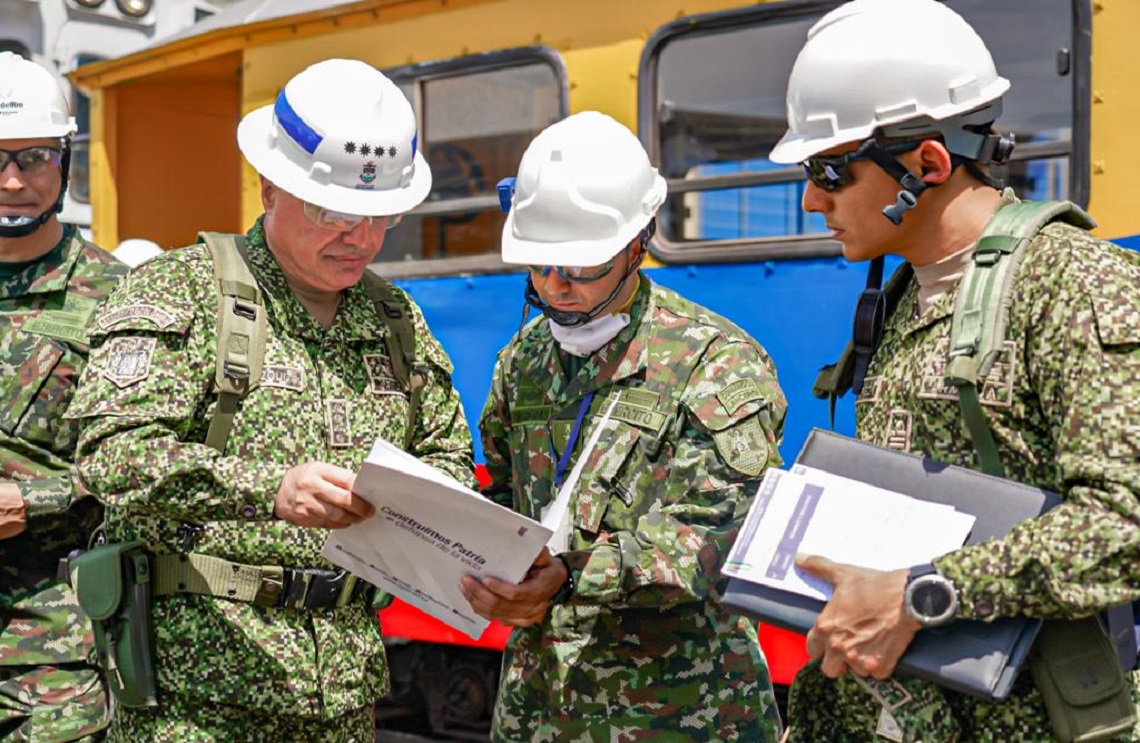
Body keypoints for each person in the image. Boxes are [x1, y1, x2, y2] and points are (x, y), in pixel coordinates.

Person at [67, 59, 475, 741]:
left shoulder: (394, 320)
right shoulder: (181, 292)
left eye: (381, 217)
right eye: (337, 214)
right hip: (193, 700)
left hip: (341, 697)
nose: (363, 240)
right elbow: (110, 455)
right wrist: (268, 488)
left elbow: (449, 457)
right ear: (270, 187)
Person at [767, 1, 1140, 740]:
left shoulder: (1075, 285)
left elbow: (1125, 523)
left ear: (929, 163)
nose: (812, 199)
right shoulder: (904, 292)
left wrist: (923, 595)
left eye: (830, 170)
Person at [462, 111, 787, 742]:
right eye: (539, 265)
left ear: (639, 242)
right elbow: (502, 494)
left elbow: (725, 537)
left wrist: (576, 573)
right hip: (539, 708)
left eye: (581, 268)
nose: (557, 287)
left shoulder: (714, 361)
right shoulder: (524, 359)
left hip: (681, 713)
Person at [0, 52, 127, 742]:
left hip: (52, 658)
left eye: (34, 158)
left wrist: (34, 501)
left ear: (66, 161)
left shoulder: (121, 298)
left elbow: (158, 469)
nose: (13, 181)